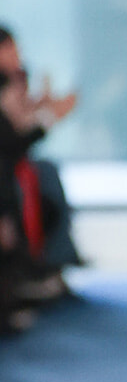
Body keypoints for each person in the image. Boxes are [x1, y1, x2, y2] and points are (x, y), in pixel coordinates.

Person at [0, 26, 83, 303]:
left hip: (12, 166)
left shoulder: (16, 79)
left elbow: (16, 131)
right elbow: (11, 139)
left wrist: (42, 110)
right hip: (7, 169)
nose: (17, 56)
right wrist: (48, 117)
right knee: (33, 180)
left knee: (46, 171)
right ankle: (31, 274)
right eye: (11, 50)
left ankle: (53, 264)